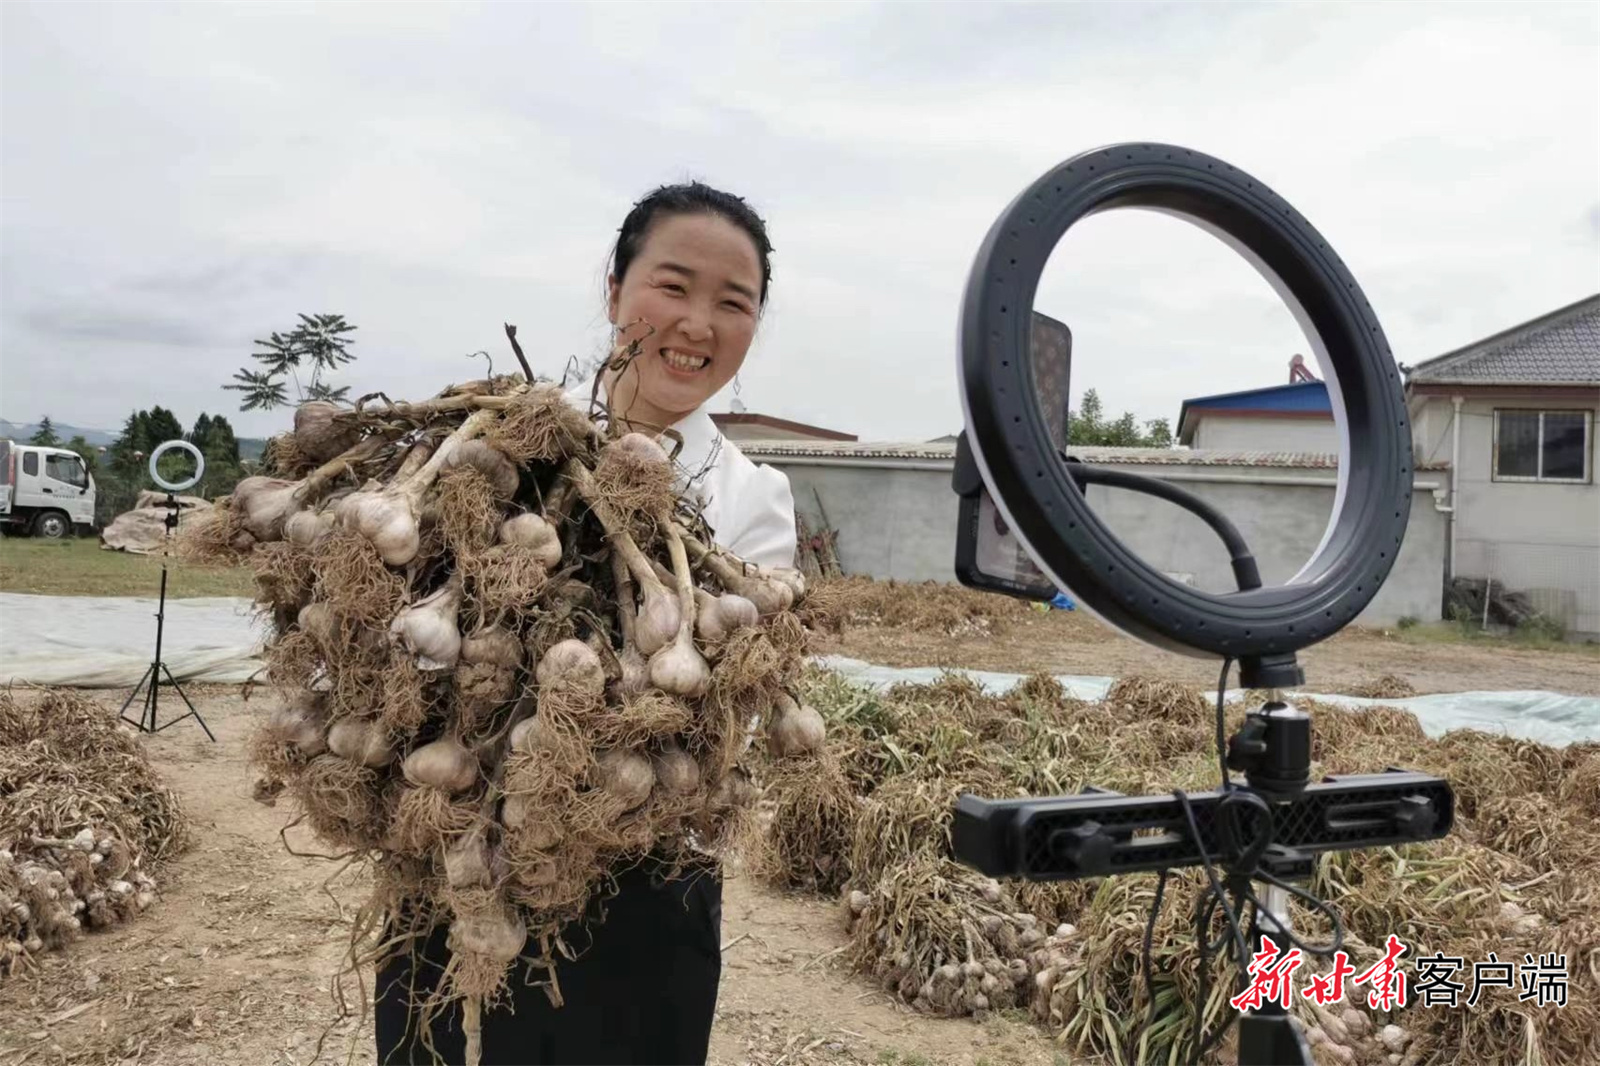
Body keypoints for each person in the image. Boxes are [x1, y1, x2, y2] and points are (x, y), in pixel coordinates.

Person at [373, 181, 797, 1066]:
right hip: (458, 856)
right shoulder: (498, 432)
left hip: (642, 865)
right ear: (614, 290)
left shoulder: (754, 496)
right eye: (672, 286)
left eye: (734, 303)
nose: (697, 324)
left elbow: (722, 712)